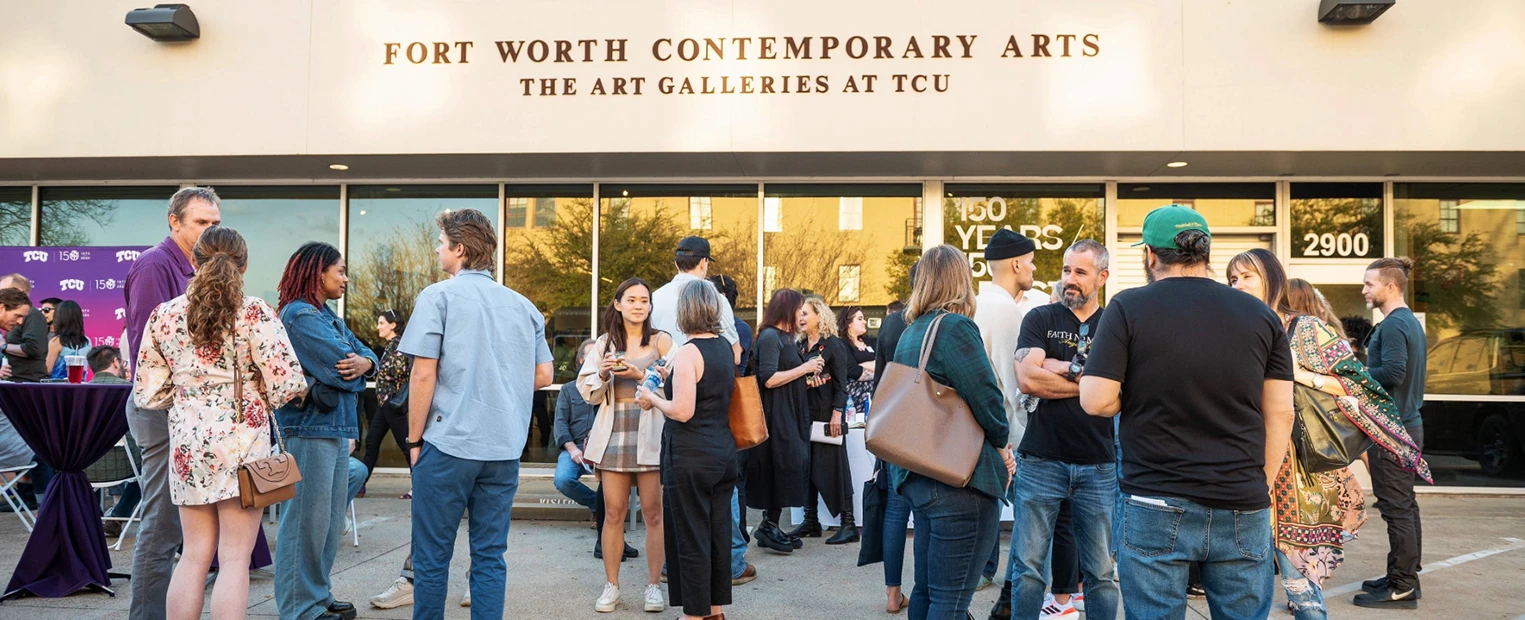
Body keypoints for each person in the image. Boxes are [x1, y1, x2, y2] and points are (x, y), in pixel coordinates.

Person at [1078, 205, 1296, 620]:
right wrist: (1259, 484)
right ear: (1206, 252)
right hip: (1242, 499)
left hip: (1154, 498)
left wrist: (1143, 391)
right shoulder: (1263, 316)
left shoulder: (1127, 308)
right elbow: (1281, 414)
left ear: (1150, 255)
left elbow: (1096, 399)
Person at [1228, 253, 1431, 619]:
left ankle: (1399, 581)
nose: (1238, 285)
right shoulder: (1232, 328)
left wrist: (1300, 374)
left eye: (1246, 276)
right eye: (1232, 279)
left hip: (1298, 477)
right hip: (1242, 466)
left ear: (1272, 280)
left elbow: (1359, 383)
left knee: (1300, 588)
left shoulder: (1305, 329)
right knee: (1246, 589)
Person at [133, 226, 308, 620]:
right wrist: (256, 392)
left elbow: (147, 392)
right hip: (242, 441)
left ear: (193, 262)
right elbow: (289, 383)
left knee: (193, 555)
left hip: (188, 445)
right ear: (243, 266)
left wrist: (188, 399)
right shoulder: (254, 311)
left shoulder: (165, 315)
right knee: (234, 558)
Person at [401, 208, 554, 619]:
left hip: (449, 442)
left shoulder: (438, 296)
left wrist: (414, 441)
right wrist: (498, 379)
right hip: (502, 447)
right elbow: (543, 374)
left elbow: (422, 375)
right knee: (490, 555)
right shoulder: (523, 306)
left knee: (432, 557)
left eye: (441, 243)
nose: (437, 249)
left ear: (460, 249)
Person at [886, 244, 1015, 619]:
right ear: (962, 282)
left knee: (927, 592)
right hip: (959, 482)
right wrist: (1002, 443)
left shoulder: (914, 331)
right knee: (952, 602)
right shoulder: (955, 327)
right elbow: (987, 398)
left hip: (922, 476)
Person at [122, 186, 227, 620]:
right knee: (162, 528)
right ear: (175, 222)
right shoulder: (154, 266)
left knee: (190, 532)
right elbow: (151, 356)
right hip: (162, 410)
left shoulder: (197, 270)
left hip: (190, 414)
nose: (209, 231)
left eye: (215, 224)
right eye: (201, 222)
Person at [1007, 240, 1118, 620]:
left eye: (1080, 272)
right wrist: (1084, 379)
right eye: (1066, 270)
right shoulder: (1040, 318)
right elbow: (1026, 377)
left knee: (1101, 573)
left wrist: (1054, 365)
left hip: (1099, 465)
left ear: (1102, 277)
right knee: (1029, 570)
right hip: (1041, 460)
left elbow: (1121, 389)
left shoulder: (1114, 326)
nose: (1069, 279)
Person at [273, 242, 378, 620]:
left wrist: (365, 363)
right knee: (306, 522)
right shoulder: (300, 316)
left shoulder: (325, 315)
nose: (346, 277)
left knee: (329, 523)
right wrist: (353, 370)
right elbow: (339, 369)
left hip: (332, 426)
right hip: (309, 429)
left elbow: (368, 355)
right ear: (319, 273)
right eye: (340, 270)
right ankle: (301, 607)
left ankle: (317, 595)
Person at [636, 280, 740, 620]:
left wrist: (652, 397)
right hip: (722, 453)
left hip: (692, 456)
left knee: (691, 537)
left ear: (685, 311)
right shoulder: (724, 346)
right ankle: (714, 609)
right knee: (716, 534)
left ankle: (694, 615)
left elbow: (682, 411)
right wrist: (670, 374)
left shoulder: (688, 352)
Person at [578, 277, 673, 613]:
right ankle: (612, 585)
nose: (638, 305)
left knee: (653, 514)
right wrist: (604, 374)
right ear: (617, 304)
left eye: (644, 300)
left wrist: (637, 377)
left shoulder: (662, 341)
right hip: (614, 430)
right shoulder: (604, 344)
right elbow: (586, 391)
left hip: (650, 430)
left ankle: (653, 586)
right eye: (631, 300)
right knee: (614, 513)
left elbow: (677, 386)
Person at [1356, 256, 1430, 610]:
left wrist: (1353, 375)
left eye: (1370, 284)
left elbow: (1394, 372)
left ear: (1390, 286)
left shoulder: (1395, 325)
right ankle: (1403, 575)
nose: (1364, 290)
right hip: (1406, 426)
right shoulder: (1406, 322)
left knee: (1397, 508)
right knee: (1405, 506)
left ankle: (1402, 586)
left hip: (1392, 430)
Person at [972, 228, 1038, 609]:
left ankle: (990, 579)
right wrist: (1023, 439)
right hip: (1009, 438)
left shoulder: (981, 302)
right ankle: (1013, 596)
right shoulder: (1005, 310)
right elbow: (1017, 387)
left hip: (986, 435)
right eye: (1030, 262)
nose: (1032, 269)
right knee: (1030, 522)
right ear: (1016, 263)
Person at [746, 289, 821, 554]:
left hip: (790, 411)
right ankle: (768, 525)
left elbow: (784, 376)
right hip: (776, 415)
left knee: (788, 465)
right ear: (786, 309)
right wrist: (805, 368)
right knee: (782, 464)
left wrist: (807, 379)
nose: (802, 316)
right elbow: (767, 378)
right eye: (799, 311)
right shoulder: (770, 337)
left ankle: (771, 524)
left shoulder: (785, 339)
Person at [792, 297, 862, 545]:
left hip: (826, 415)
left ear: (819, 316)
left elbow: (843, 385)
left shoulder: (833, 345)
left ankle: (848, 523)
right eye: (800, 313)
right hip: (804, 416)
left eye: (805, 313)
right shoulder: (800, 346)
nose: (800, 317)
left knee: (835, 468)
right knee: (806, 468)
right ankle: (811, 521)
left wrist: (837, 413)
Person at [867, 263, 915, 615]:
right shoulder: (939, 321)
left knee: (896, 510)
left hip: (895, 423)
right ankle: (926, 589)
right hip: (933, 427)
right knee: (929, 512)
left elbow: (879, 381)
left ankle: (892, 592)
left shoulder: (891, 323)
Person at [707, 272, 758, 585]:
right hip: (725, 413)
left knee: (725, 487)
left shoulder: (732, 330)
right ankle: (735, 560)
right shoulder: (741, 329)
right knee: (730, 486)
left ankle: (733, 557)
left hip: (714, 413)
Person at [650, 236, 742, 365]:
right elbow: (734, 356)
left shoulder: (653, 298)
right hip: (705, 378)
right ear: (703, 262)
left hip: (662, 378)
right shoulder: (716, 298)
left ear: (676, 263)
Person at [87, 346, 144, 534]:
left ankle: (93, 519)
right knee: (152, 465)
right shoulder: (131, 390)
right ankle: (119, 514)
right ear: (115, 362)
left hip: (84, 466)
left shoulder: (78, 392)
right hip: (126, 467)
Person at [361, 310, 412, 492]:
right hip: (385, 404)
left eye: (381, 323)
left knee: (406, 446)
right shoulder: (390, 346)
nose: (378, 327)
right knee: (372, 442)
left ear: (392, 325)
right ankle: (360, 485)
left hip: (393, 403)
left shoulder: (399, 346)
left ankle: (420, 486)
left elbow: (399, 371)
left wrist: (380, 372)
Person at [556, 339, 601, 515]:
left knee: (613, 481)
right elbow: (560, 422)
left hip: (602, 448)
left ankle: (605, 516)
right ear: (581, 360)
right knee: (563, 479)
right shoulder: (568, 390)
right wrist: (572, 449)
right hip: (576, 447)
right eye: (590, 356)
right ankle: (598, 506)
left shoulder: (608, 387)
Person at [0, 273, 48, 383]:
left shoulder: (33, 315)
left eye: (4, 291)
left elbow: (33, 348)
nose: (20, 322)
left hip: (26, 383)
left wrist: (4, 346)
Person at [836, 306, 876, 428]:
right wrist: (876, 368)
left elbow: (883, 363)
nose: (864, 322)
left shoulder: (871, 342)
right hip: (853, 401)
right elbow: (853, 371)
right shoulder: (842, 344)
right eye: (860, 318)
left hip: (875, 396)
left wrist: (863, 365)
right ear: (848, 323)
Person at [46, 300, 92, 380]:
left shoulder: (57, 341)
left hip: (59, 389)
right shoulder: (87, 341)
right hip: (81, 388)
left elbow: (47, 370)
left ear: (58, 319)